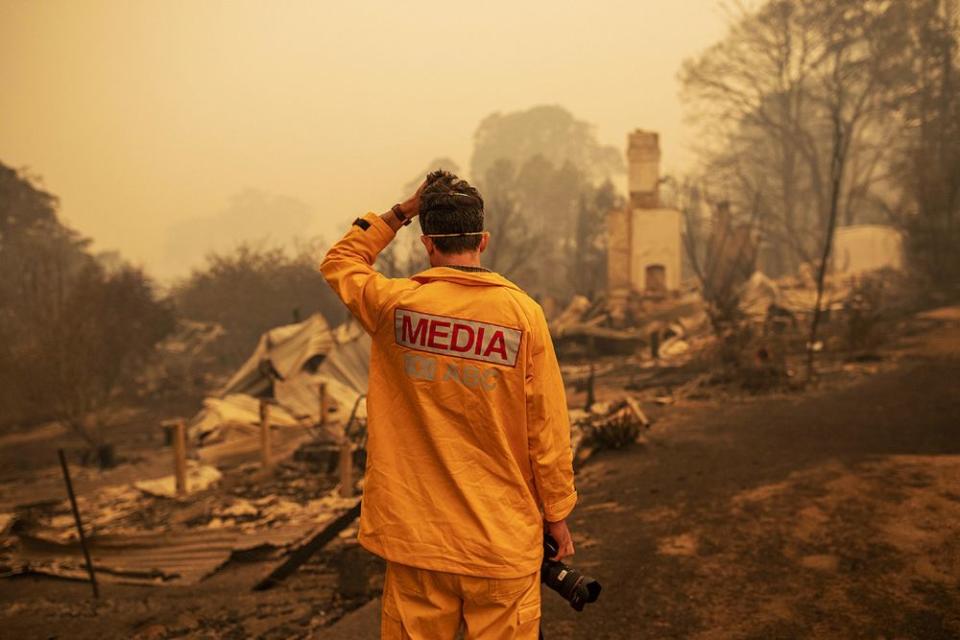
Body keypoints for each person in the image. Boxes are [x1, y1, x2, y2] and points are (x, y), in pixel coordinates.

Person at [320, 170, 577, 639]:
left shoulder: (394, 306)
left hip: (419, 544)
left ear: (427, 244)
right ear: (483, 239)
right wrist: (556, 515)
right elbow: (548, 429)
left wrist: (400, 211)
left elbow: (340, 260)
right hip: (502, 544)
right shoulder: (523, 316)